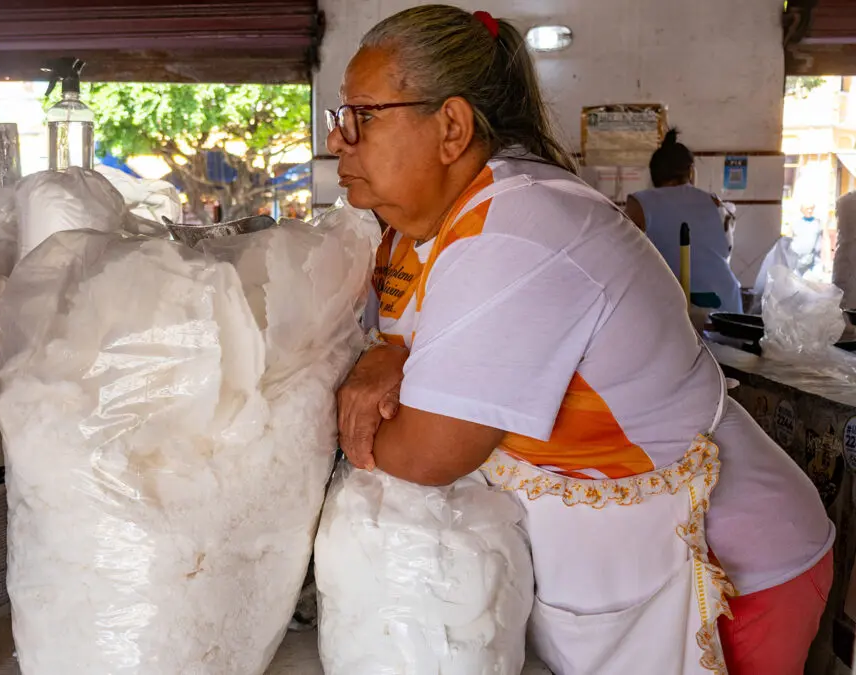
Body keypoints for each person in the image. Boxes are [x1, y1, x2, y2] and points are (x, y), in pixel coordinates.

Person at [328, 5, 834, 674]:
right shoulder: (415, 236)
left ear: (450, 126)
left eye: (362, 116)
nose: (339, 141)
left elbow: (426, 451)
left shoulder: (516, 229)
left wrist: (366, 388)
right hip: (610, 574)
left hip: (727, 573)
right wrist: (383, 361)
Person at [624, 130, 743, 313]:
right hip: (725, 304)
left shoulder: (639, 204)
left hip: (676, 308)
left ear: (654, 173)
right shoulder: (714, 201)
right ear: (690, 171)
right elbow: (724, 250)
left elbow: (623, 255)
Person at [791, 202, 825, 278]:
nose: (810, 211)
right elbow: (789, 238)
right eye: (807, 209)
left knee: (816, 283)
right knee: (796, 283)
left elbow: (826, 240)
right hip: (798, 261)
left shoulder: (819, 223)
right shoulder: (796, 223)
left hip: (814, 260)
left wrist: (827, 261)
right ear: (802, 210)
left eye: (811, 208)